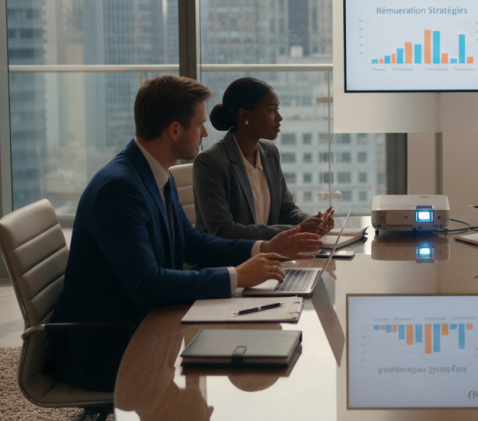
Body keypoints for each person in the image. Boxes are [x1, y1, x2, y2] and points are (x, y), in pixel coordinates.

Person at [51, 75, 322, 392]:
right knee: (242, 364)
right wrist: (236, 276)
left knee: (263, 345)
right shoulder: (120, 189)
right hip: (110, 345)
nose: (207, 132)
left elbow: (191, 244)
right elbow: (147, 285)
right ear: (174, 130)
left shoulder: (152, 173)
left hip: (147, 321)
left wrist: (262, 248)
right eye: (199, 124)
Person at [193, 77, 334, 240]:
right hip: (231, 262)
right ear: (244, 114)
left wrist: (314, 221)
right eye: (271, 110)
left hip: (270, 258)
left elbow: (286, 210)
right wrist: (298, 229)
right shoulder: (211, 162)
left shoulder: (270, 152)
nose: (279, 117)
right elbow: (224, 231)